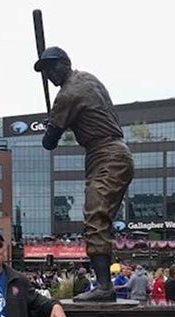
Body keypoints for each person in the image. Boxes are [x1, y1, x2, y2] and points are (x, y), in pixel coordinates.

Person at [34, 47, 134, 302]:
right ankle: (103, 285)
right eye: (45, 71)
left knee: (95, 220)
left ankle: (104, 287)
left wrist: (51, 124)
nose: (49, 75)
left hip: (106, 155)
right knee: (98, 219)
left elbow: (49, 142)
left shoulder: (68, 94)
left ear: (66, 64)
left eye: (52, 68)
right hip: (110, 154)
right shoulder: (88, 78)